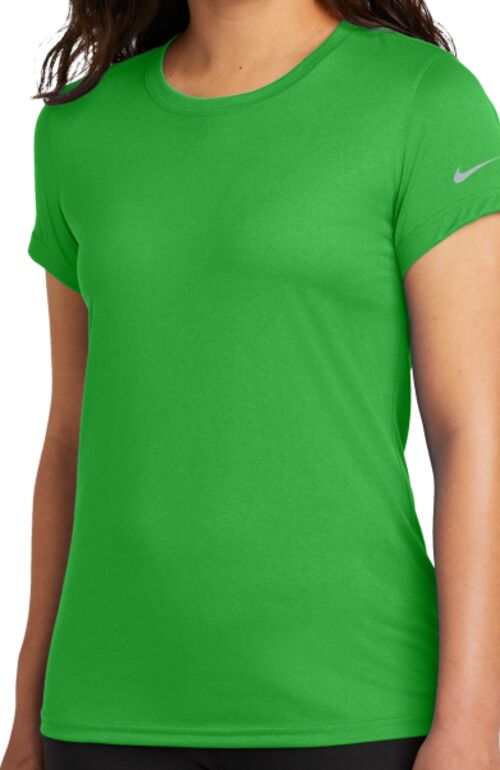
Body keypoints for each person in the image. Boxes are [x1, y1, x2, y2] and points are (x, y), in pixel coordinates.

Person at [2, 0, 500, 768]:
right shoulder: (81, 126)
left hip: (352, 704)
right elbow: (70, 436)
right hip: (103, 708)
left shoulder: (423, 102)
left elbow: (474, 431)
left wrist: (473, 723)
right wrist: (28, 707)